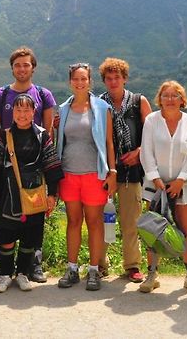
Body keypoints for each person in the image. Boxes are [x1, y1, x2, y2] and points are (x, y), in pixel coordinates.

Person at [0, 46, 56, 283]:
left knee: (33, 225)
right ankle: (5, 271)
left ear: (33, 67)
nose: (22, 68)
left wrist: (49, 182)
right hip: (7, 169)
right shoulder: (1, 94)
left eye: (26, 64)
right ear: (12, 68)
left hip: (34, 170)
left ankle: (29, 270)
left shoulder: (43, 94)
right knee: (7, 224)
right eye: (17, 65)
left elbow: (48, 130)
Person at [0, 94, 63, 293]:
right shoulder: (5, 135)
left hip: (35, 192)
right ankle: (4, 274)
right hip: (7, 193)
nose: (22, 114)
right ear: (13, 113)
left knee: (30, 235)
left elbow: (51, 165)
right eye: (18, 110)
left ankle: (22, 274)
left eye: (26, 110)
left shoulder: (42, 136)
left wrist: (52, 194)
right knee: (6, 235)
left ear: (33, 112)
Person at [56, 62, 117, 291]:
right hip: (68, 174)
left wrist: (112, 171)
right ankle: (72, 268)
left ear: (90, 81)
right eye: (76, 79)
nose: (80, 83)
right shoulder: (63, 109)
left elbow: (110, 143)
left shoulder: (102, 108)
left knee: (94, 222)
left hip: (95, 174)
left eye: (84, 79)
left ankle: (93, 270)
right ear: (70, 82)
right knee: (73, 222)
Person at [139, 80, 187, 294]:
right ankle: (152, 273)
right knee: (152, 230)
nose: (170, 99)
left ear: (182, 100)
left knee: (186, 230)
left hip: (184, 185)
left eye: (175, 96)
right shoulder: (151, 121)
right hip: (156, 186)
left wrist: (180, 180)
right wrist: (156, 180)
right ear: (160, 99)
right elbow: (146, 152)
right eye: (166, 95)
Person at [98, 58, 152, 282]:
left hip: (132, 173)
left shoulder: (139, 102)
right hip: (104, 171)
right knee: (102, 220)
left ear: (125, 78)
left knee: (131, 221)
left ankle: (132, 265)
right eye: (108, 78)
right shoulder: (98, 104)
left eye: (116, 78)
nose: (112, 82)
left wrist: (139, 152)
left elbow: (152, 134)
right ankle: (99, 264)